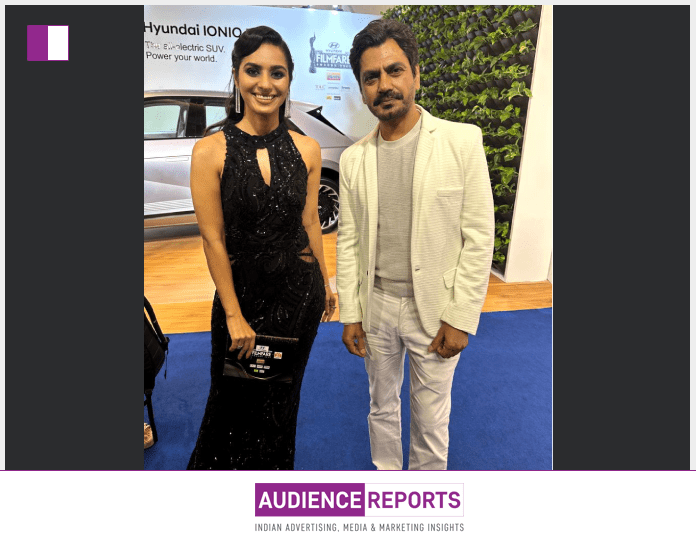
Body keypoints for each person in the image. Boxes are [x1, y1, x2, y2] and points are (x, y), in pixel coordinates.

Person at [336, 19, 494, 470]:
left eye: (395, 70)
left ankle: (425, 496)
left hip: (436, 308)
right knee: (381, 408)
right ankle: (387, 484)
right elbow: (349, 241)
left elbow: (479, 235)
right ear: (362, 89)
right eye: (371, 77)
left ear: (416, 75)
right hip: (377, 306)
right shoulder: (353, 159)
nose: (384, 85)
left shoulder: (462, 141)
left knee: (430, 420)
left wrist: (461, 316)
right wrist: (351, 312)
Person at [187, 26, 337, 470]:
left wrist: (325, 282)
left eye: (277, 73)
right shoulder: (210, 150)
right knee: (230, 403)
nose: (265, 83)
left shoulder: (308, 149)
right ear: (237, 76)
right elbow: (213, 238)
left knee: (280, 404)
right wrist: (234, 314)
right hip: (242, 300)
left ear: (289, 80)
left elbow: (310, 221)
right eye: (253, 71)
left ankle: (269, 488)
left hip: (298, 297)